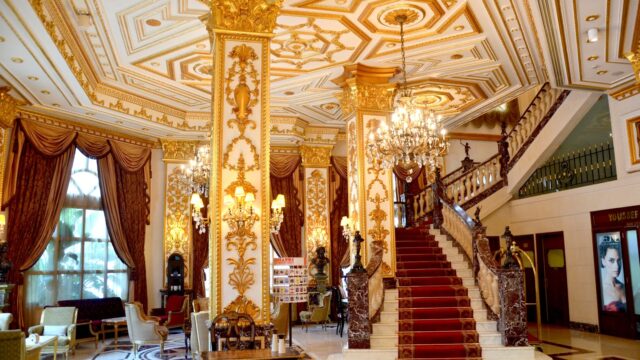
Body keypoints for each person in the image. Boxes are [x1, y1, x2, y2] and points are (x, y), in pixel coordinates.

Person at [599, 237, 626, 312]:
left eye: (619, 260)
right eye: (611, 260)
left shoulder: (624, 286)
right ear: (603, 261)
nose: (617, 266)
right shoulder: (601, 289)